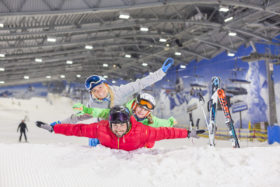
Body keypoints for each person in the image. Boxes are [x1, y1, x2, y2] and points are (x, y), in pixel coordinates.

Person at [51, 58, 174, 146]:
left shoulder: (120, 92)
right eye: (94, 90)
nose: (99, 92)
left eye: (100, 87)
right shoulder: (93, 104)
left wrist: (161, 73)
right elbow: (77, 118)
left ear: (105, 84)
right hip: (106, 131)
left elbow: (139, 84)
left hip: (126, 128)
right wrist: (59, 124)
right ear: (91, 93)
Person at [36, 106, 204, 151]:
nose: (118, 129)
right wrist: (54, 128)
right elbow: (77, 129)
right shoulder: (101, 129)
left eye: (122, 125)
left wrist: (188, 133)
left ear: (128, 124)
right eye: (115, 125)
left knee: (151, 142)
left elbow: (167, 132)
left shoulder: (142, 131)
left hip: (138, 146)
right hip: (106, 146)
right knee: (92, 140)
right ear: (110, 124)